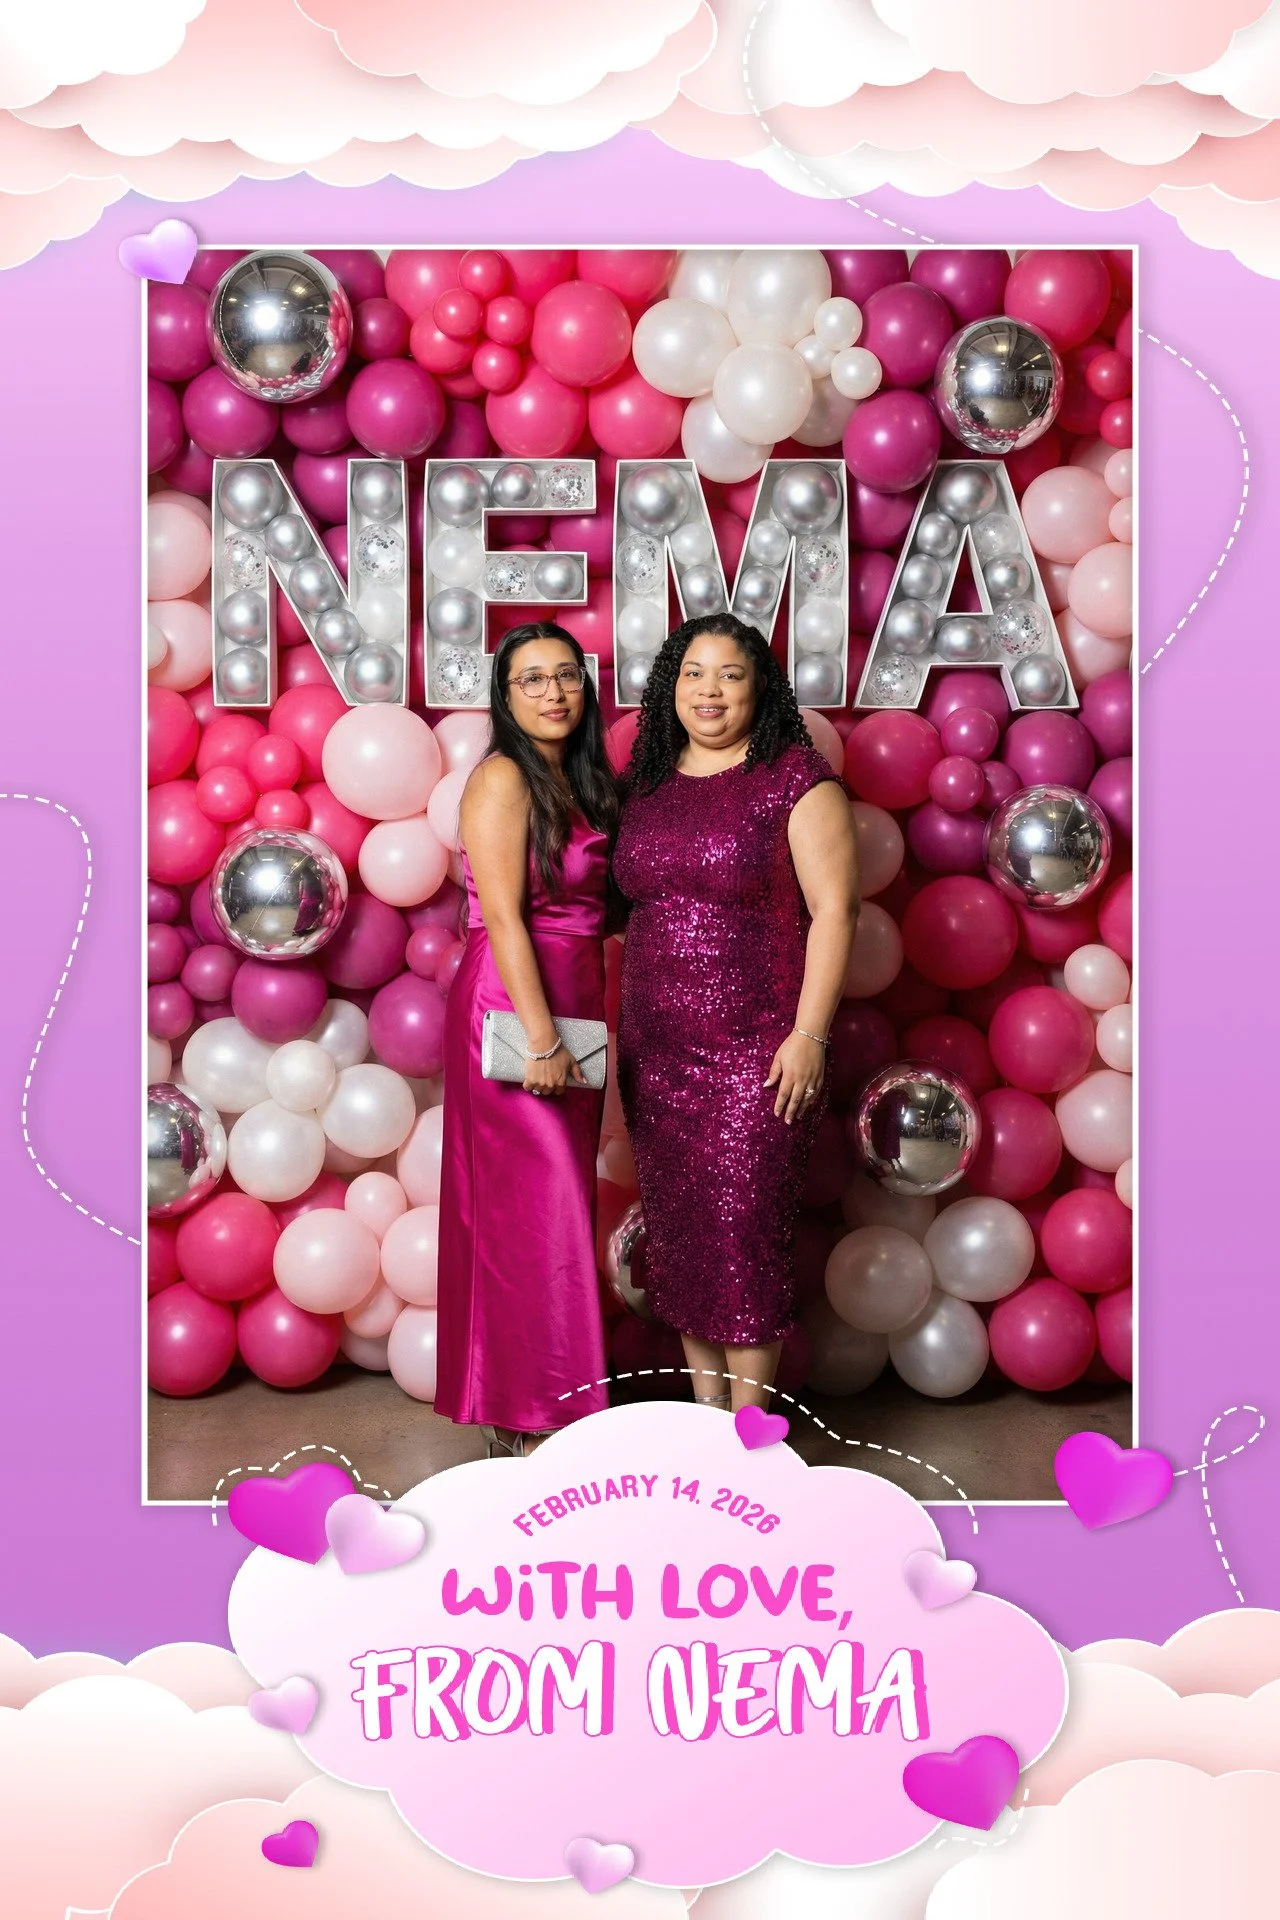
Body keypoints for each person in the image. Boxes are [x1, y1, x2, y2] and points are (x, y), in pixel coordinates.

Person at [614, 612, 859, 1414]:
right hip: (655, 1051)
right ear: (670, 688)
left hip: (757, 1050)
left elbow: (836, 911)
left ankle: (750, 1442)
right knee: (683, 1243)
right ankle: (705, 1426)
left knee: (743, 1243)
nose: (708, 691)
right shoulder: (646, 787)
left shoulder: (795, 777)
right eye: (692, 674)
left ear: (760, 687)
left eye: (729, 674)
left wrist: (809, 1035)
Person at [435, 622, 618, 1456]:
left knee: (553, 1208)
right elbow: (503, 915)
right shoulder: (504, 778)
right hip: (515, 1004)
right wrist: (541, 1039)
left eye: (565, 678)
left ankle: (530, 1403)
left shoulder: (578, 780)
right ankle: (538, 1419)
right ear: (505, 701)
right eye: (531, 680)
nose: (552, 693)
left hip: (576, 998)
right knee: (532, 1211)